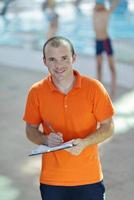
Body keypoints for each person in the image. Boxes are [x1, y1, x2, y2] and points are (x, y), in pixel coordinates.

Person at [23, 36, 115, 200]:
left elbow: (108, 127)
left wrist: (86, 142)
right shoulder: (36, 92)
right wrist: (45, 140)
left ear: (74, 57)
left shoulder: (94, 88)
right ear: (44, 61)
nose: (59, 65)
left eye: (64, 58)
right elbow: (30, 129)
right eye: (52, 59)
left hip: (89, 177)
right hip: (52, 181)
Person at [93, 0, 120, 99]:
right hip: (98, 42)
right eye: (97, 4)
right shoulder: (94, 12)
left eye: (99, 4)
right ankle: (99, 90)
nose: (97, 5)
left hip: (105, 41)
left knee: (111, 67)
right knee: (99, 67)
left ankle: (113, 90)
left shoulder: (106, 13)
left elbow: (114, 4)